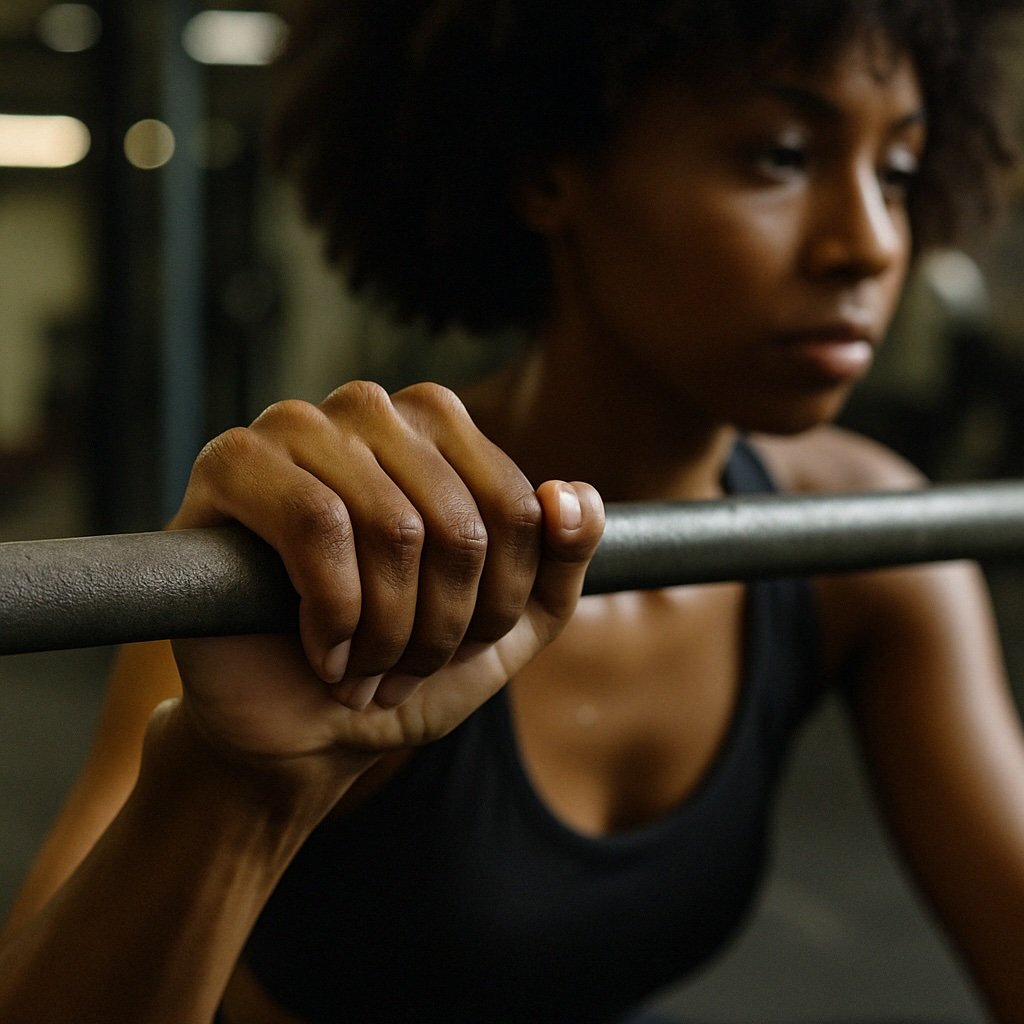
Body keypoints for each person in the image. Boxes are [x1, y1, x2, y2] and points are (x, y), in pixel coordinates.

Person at [3, 1, 1024, 1021]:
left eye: (895, 170)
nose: (869, 243)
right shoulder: (322, 557)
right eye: (779, 156)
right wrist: (238, 789)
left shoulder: (864, 539)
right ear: (551, 172)